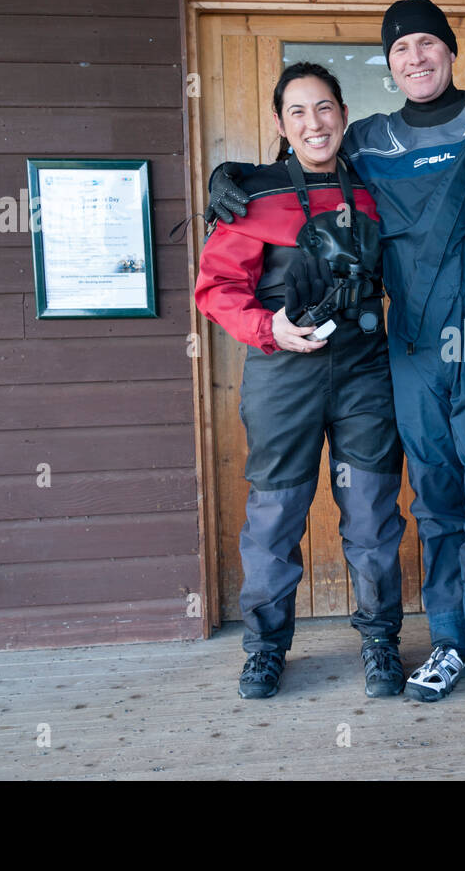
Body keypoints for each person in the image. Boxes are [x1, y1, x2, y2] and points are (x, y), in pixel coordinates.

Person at [210, 0, 465, 733]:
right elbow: (304, 166)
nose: (414, 57)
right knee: (436, 503)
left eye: (427, 44)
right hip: (409, 353)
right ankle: (449, 644)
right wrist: (234, 176)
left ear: (449, 52)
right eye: (400, 47)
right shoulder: (373, 143)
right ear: (389, 63)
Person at [195, 62, 408, 701]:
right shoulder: (253, 197)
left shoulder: (379, 188)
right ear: (282, 125)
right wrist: (269, 328)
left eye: (324, 108)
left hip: (366, 368)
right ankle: (264, 649)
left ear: (343, 114)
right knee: (276, 513)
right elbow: (216, 289)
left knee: (371, 511)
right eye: (297, 112)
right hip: (284, 371)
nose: (313, 123)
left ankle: (380, 642)